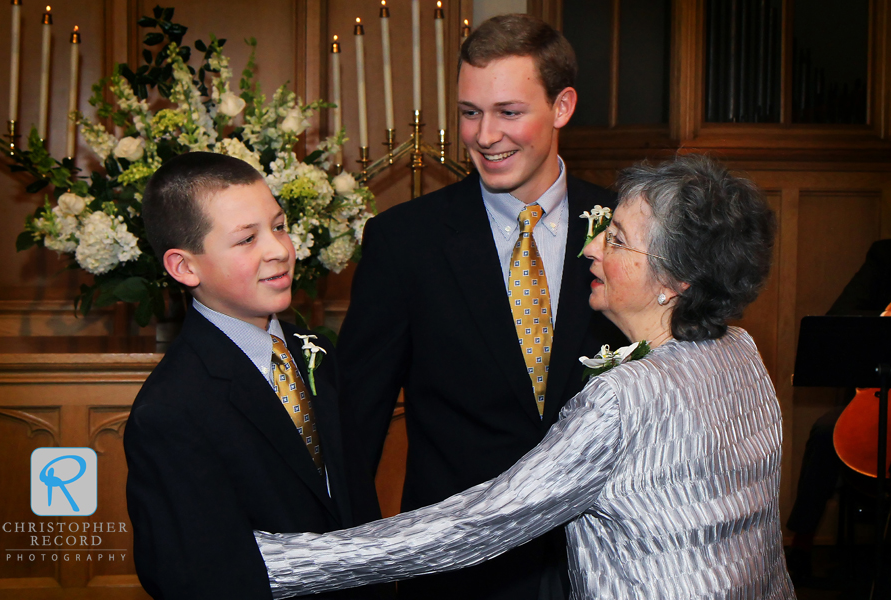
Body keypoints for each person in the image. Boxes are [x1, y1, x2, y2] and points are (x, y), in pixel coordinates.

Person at [255, 155, 796, 600]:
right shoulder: (738, 352)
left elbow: (476, 526)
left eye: (617, 239)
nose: (590, 247)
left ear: (675, 279)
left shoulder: (623, 397)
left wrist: (278, 561)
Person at [336, 14, 624, 600]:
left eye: (508, 112)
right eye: (470, 112)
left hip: (608, 554)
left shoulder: (628, 228)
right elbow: (355, 424)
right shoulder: (404, 242)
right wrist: (353, 567)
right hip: (458, 568)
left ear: (562, 106)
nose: (484, 135)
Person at [123, 153, 380, 600]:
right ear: (185, 267)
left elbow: (353, 498)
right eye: (246, 239)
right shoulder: (170, 411)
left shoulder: (313, 352)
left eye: (279, 226)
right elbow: (192, 574)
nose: (279, 249)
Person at [785, 238, 891, 582]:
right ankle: (801, 542)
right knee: (826, 431)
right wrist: (885, 317)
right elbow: (840, 315)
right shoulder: (886, 256)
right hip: (880, 394)